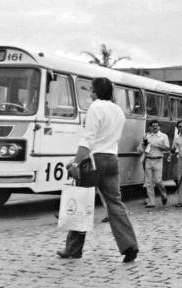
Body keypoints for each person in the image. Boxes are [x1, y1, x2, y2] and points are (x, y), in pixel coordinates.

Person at [57, 77, 138, 262]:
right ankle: (129, 245)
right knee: (115, 203)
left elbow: (88, 139)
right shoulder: (118, 111)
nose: (90, 93)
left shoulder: (95, 107)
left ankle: (73, 249)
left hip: (94, 160)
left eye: (91, 89)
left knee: (82, 202)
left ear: (96, 91)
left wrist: (76, 162)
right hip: (112, 159)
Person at [139, 119, 169, 208]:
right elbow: (143, 149)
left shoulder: (163, 136)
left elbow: (167, 148)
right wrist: (144, 144)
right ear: (150, 127)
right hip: (148, 159)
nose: (155, 127)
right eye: (153, 126)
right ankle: (151, 202)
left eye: (156, 125)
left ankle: (164, 194)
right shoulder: (147, 136)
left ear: (159, 127)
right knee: (148, 182)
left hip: (158, 160)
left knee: (158, 180)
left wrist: (157, 145)